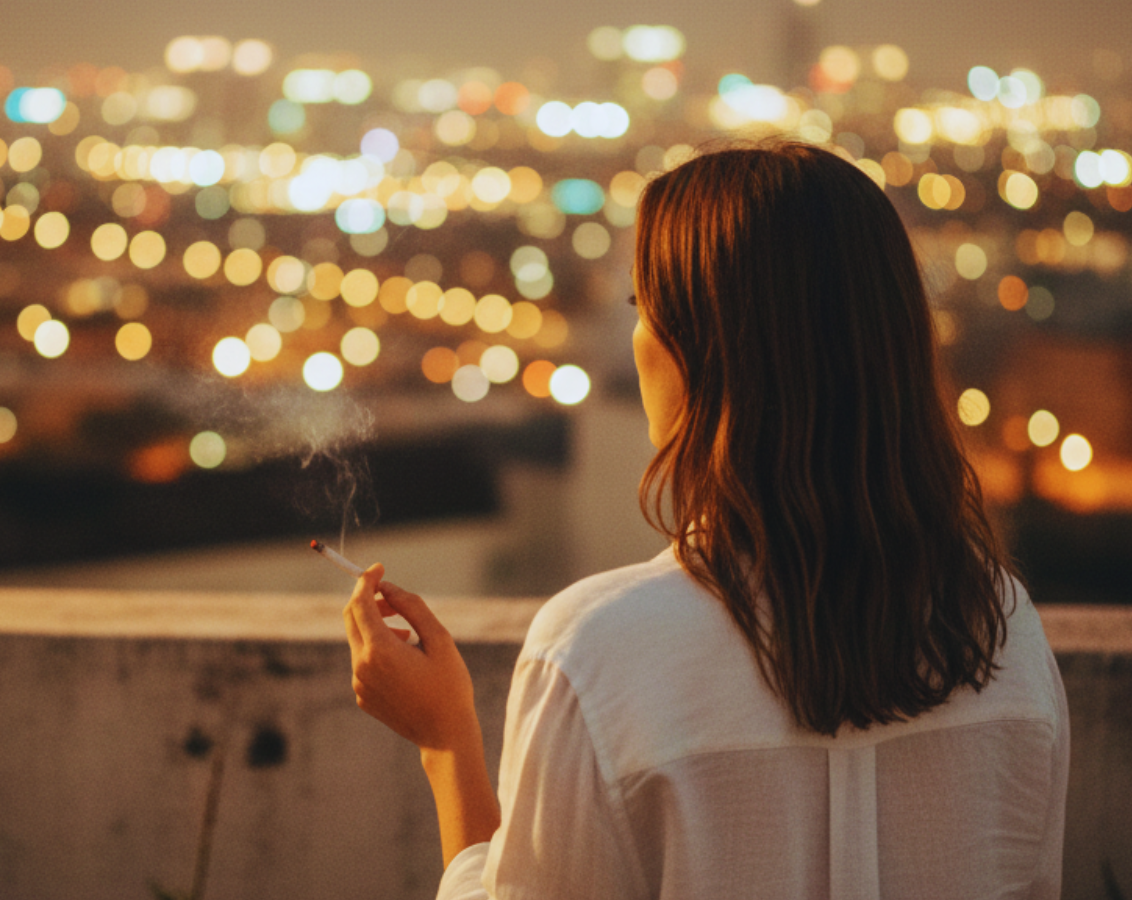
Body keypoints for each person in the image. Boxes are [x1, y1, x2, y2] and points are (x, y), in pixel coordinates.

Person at [342, 142, 1069, 899]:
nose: (636, 339)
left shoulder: (600, 656)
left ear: (702, 353)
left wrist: (445, 741)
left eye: (642, 310)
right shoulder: (1004, 631)